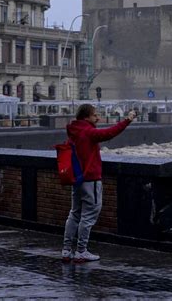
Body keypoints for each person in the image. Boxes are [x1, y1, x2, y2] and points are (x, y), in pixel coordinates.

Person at [61, 104, 136, 263]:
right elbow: (110, 133)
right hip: (91, 180)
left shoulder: (74, 131)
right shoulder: (88, 132)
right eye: (95, 115)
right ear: (86, 117)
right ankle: (81, 251)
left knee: (74, 214)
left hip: (77, 179)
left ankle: (66, 250)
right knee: (88, 216)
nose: (98, 118)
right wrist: (127, 120)